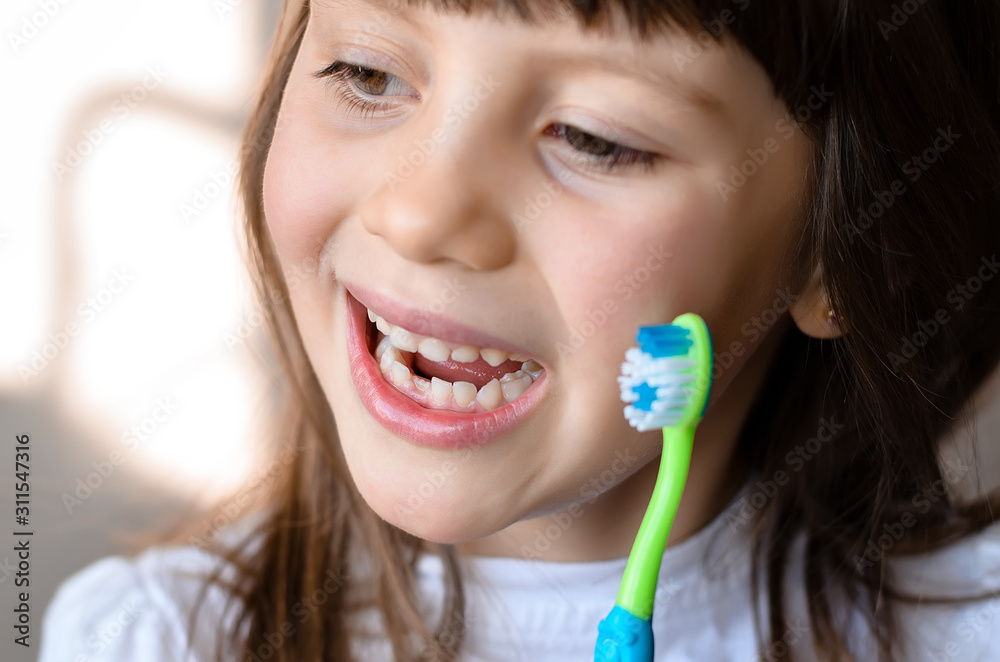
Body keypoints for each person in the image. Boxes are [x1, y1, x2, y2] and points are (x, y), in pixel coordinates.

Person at [39, 0, 1000, 660]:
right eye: (366, 70)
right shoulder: (149, 640)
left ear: (842, 244)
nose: (419, 213)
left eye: (593, 137)